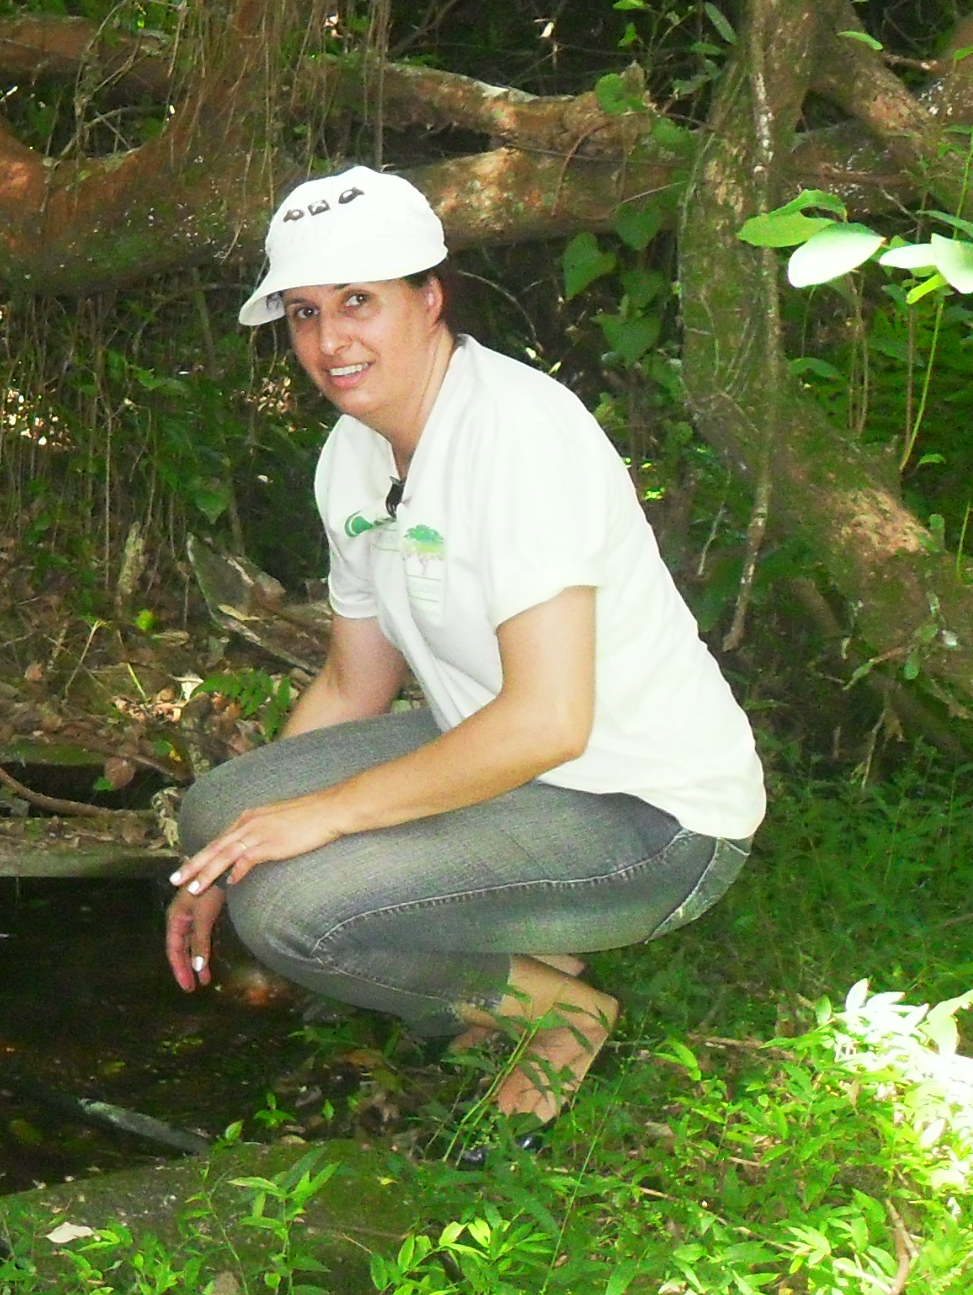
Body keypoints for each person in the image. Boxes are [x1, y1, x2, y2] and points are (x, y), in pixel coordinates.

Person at [169, 169, 763, 1138]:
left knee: (296, 912)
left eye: (359, 301)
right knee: (219, 814)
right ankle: (492, 958)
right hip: (511, 766)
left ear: (430, 297)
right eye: (306, 313)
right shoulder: (354, 455)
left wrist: (320, 824)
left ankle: (558, 1016)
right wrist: (226, 857)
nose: (330, 341)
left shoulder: (517, 437)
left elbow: (548, 720)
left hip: (649, 817)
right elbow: (352, 680)